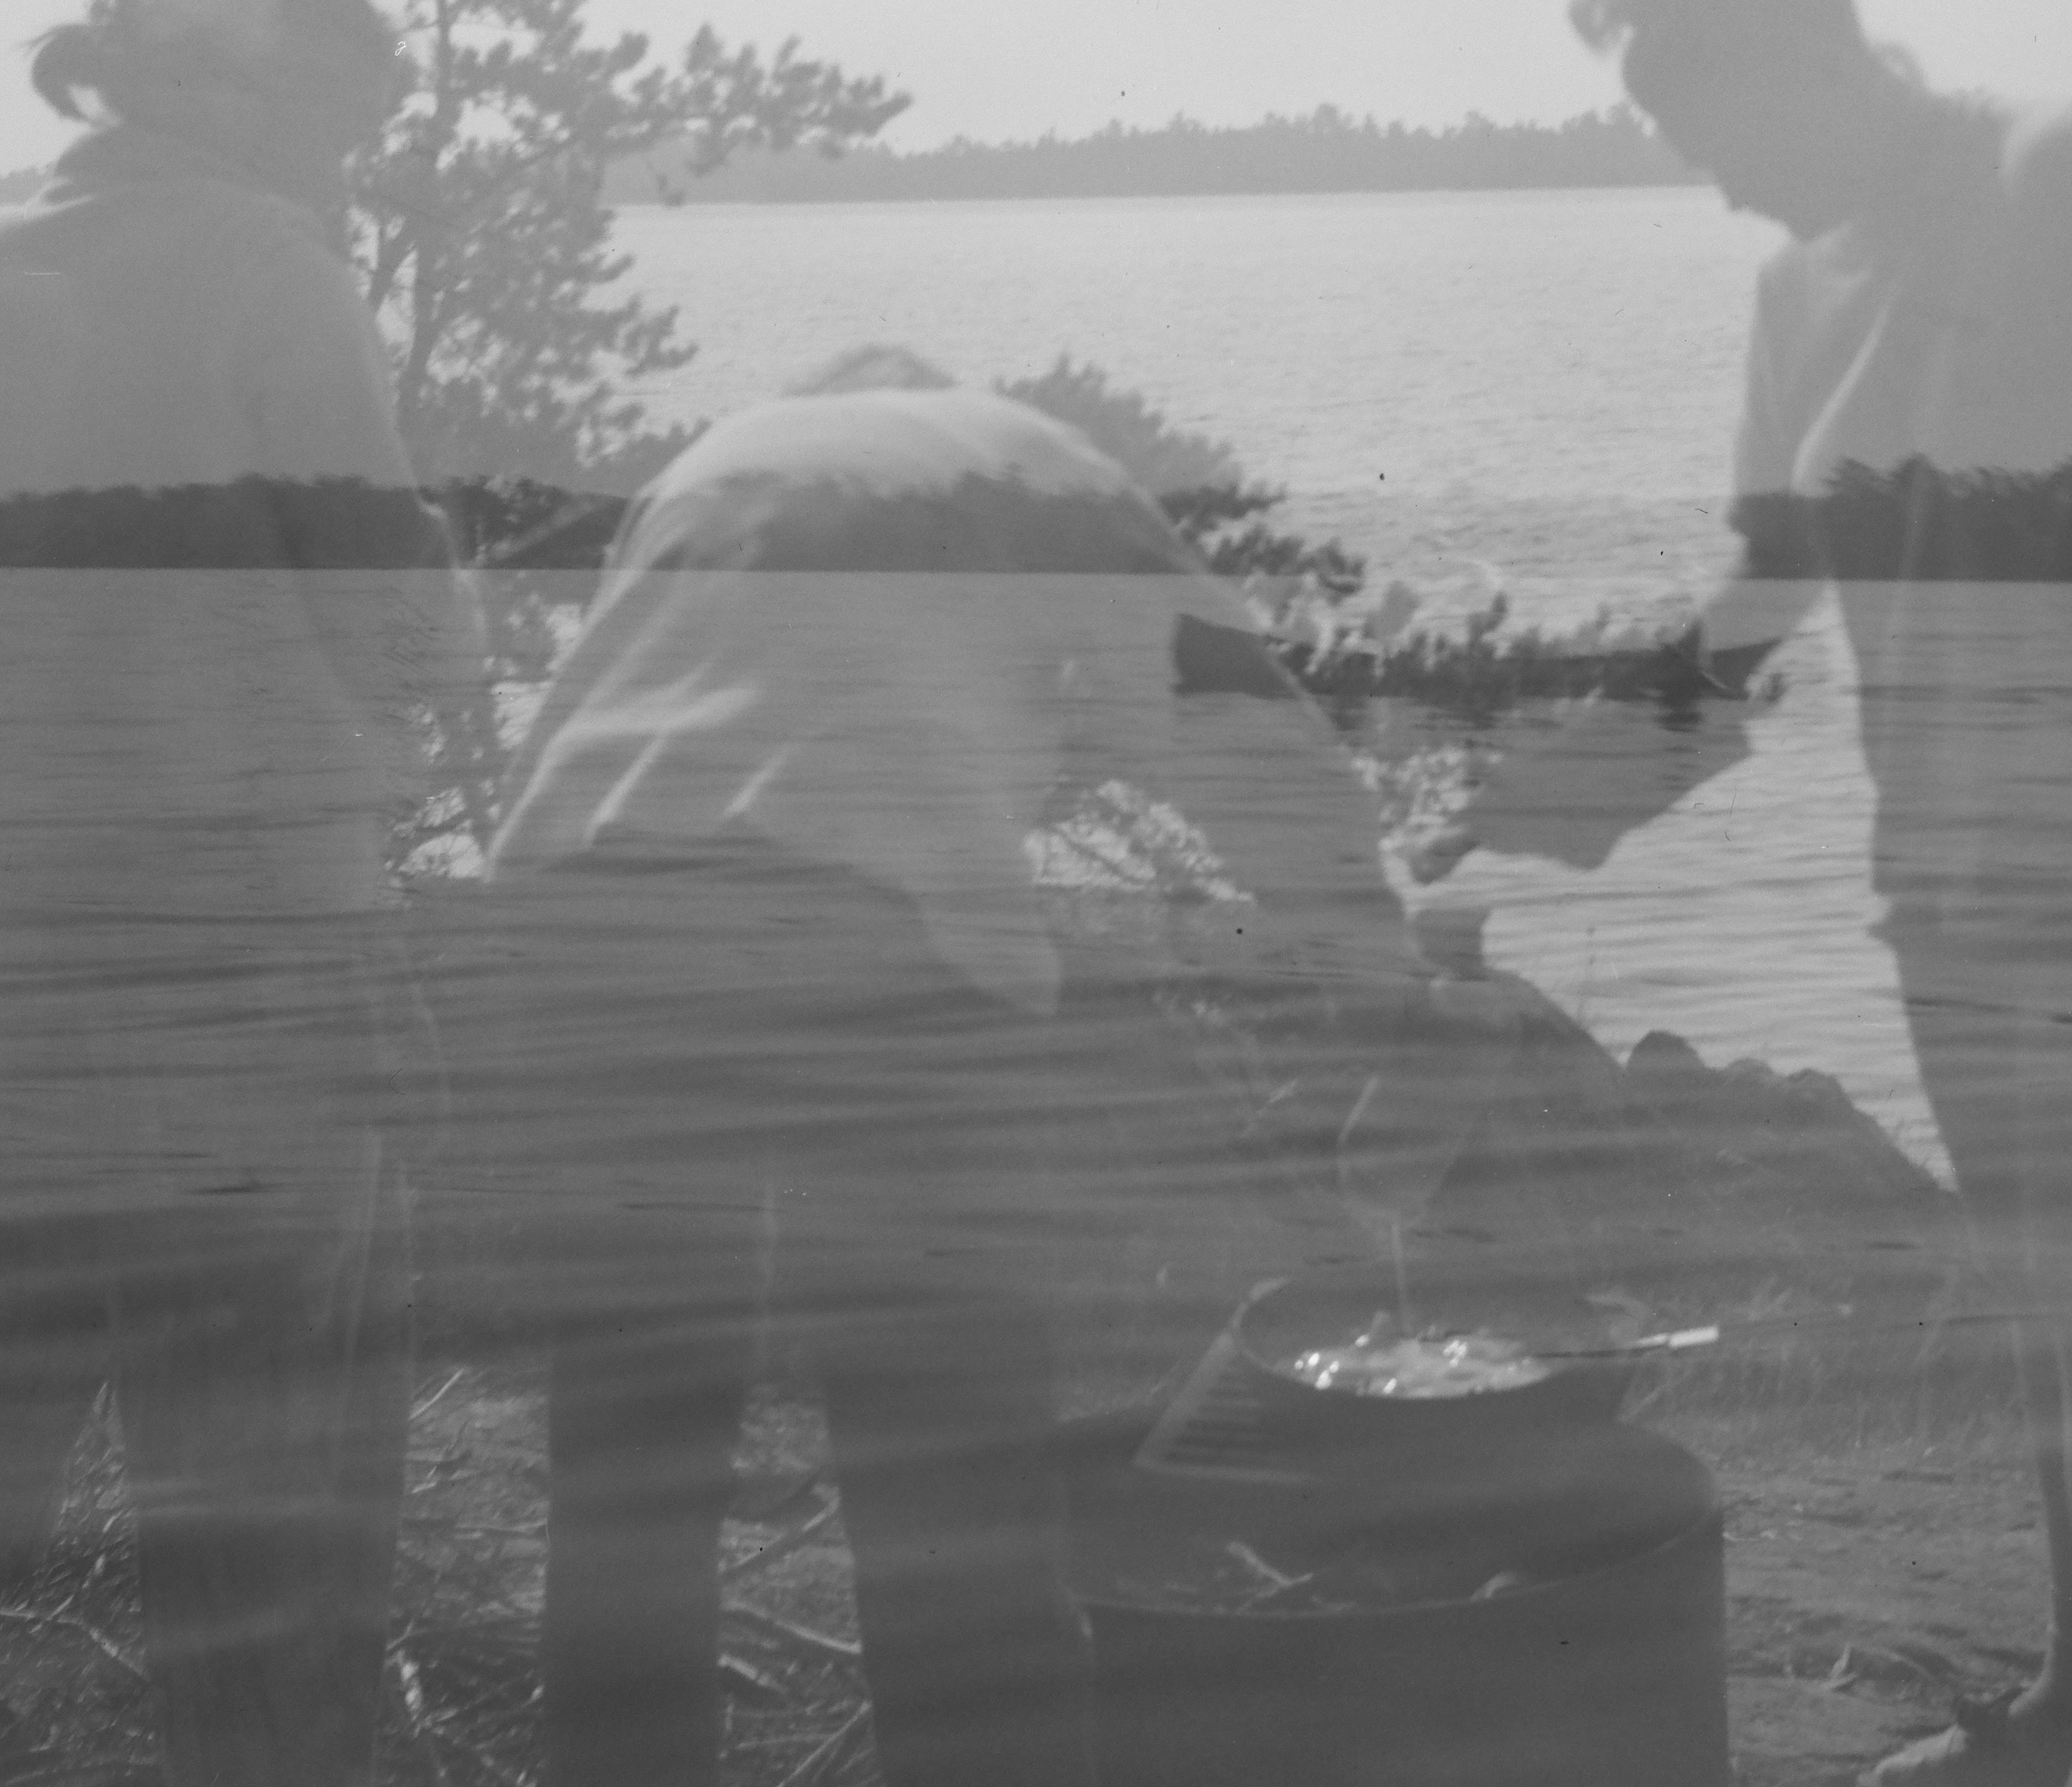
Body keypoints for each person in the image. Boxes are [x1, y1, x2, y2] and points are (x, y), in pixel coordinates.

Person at [1426, 0, 2072, 1787]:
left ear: (1815, 68)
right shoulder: (1798, 284)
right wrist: (1568, 778)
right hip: (1946, 815)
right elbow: (1766, 588)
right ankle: (2063, 1707)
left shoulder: (2068, 164)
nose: (1718, 186)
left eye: (1716, 136)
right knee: (2037, 1273)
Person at [479, 348, 1458, 1787]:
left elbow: (696, 718)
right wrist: (1380, 987)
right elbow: (1250, 734)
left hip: (592, 931)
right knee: (948, 1496)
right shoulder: (1035, 467)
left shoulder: (711, 469)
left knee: (632, 1487)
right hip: (870, 956)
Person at [0, 0, 470, 1786]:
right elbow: (391, 622)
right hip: (241, 959)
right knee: (268, 1499)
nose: (347, 160)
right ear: (232, 99)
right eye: (337, 118)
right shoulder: (264, 264)